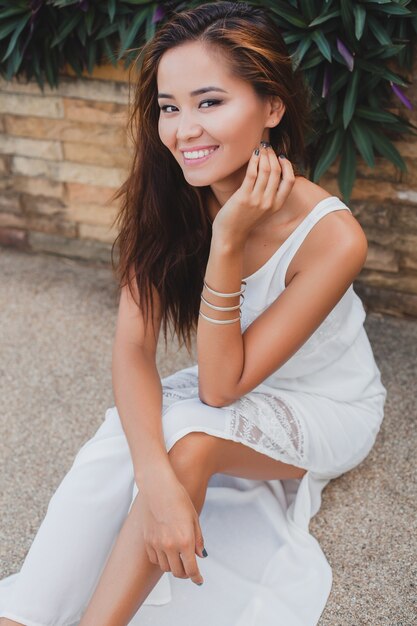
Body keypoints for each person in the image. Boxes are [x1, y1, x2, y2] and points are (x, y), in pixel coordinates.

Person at [0, 2, 387, 625]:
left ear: (272, 108)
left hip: (325, 404)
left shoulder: (333, 236)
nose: (183, 129)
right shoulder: (164, 193)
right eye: (170, 107)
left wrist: (229, 241)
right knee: (125, 437)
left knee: (190, 440)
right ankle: (23, 614)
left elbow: (218, 386)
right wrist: (154, 484)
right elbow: (132, 349)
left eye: (210, 102)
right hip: (228, 381)